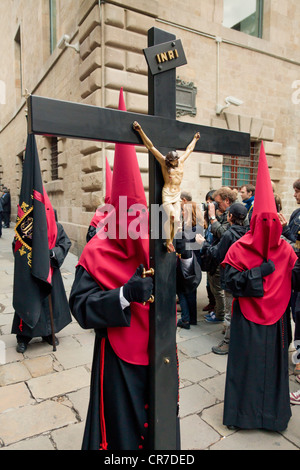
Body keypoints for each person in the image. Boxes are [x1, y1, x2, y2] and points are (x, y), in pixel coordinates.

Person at [69, 90, 158, 450]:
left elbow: (189, 276)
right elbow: (80, 306)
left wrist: (184, 260)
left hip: (159, 350)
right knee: (121, 431)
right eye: (128, 216)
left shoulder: (156, 239)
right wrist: (124, 295)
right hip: (118, 357)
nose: (136, 225)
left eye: (141, 216)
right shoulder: (95, 251)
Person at [221, 143, 300, 432]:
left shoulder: (287, 251)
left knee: (273, 370)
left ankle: (272, 417)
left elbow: (295, 281)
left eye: (272, 222)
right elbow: (231, 283)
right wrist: (258, 272)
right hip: (247, 320)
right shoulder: (240, 248)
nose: (267, 227)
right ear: (255, 221)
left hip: (278, 322)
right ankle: (243, 416)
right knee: (247, 368)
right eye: (262, 221)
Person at [133, 121, 200, 252]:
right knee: (173, 217)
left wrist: (195, 139)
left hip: (177, 193)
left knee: (177, 222)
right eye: (169, 162)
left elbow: (189, 149)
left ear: (176, 160)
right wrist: (140, 130)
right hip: (168, 194)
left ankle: (169, 242)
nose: (170, 164)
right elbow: (151, 147)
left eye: (172, 162)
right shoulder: (164, 162)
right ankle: (168, 241)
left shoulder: (181, 161)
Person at [12, 210, 72, 353]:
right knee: (28, 303)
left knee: (48, 303)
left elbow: (65, 243)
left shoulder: (56, 227)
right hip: (30, 274)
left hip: (50, 272)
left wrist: (52, 253)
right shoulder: (26, 226)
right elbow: (17, 244)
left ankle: (48, 333)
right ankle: (23, 337)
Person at [206, 203, 248, 354]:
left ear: (230, 216)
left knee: (230, 312)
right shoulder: (247, 232)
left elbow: (217, 254)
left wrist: (203, 244)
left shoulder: (229, 234)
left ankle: (227, 343)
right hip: (243, 277)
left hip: (231, 277)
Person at [203, 187, 240, 324]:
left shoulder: (235, 214)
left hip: (228, 260)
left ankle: (222, 318)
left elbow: (225, 235)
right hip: (219, 255)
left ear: (227, 201)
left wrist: (213, 217)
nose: (216, 205)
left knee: (223, 291)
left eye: (217, 202)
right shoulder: (226, 213)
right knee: (216, 287)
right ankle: (220, 314)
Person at [278, 178, 300, 376]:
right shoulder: (296, 213)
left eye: (297, 191)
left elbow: (296, 245)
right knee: (296, 314)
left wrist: (286, 235)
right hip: (293, 274)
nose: (294, 195)